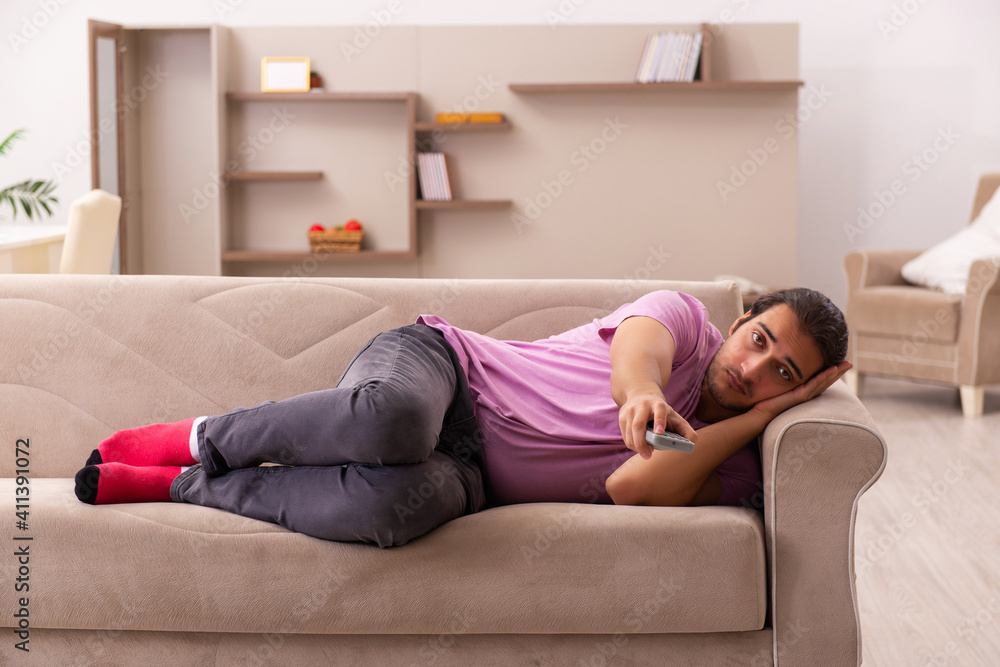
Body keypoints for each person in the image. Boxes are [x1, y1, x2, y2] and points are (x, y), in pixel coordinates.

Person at [74, 288, 852, 548]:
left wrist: (768, 415)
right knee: (394, 422)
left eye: (782, 373)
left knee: (389, 512)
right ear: (742, 315)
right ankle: (202, 437)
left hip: (472, 477)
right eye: (758, 340)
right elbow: (634, 361)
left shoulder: (739, 460)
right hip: (445, 372)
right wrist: (642, 396)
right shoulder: (681, 319)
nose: (751, 370)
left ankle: (183, 485)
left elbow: (634, 487)